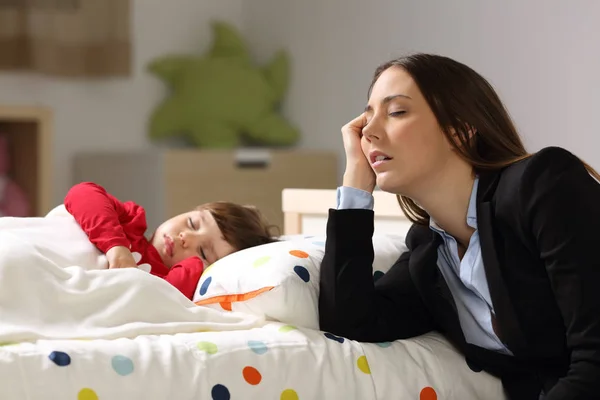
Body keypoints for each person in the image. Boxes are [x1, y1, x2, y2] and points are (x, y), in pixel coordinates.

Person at [318, 53, 600, 400]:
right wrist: (355, 189)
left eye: (396, 112)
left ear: (461, 131)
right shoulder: (428, 256)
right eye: (366, 119)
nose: (369, 133)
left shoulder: (544, 185)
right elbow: (348, 322)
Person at [65, 182, 276, 300]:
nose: (187, 238)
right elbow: (81, 193)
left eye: (203, 252)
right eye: (192, 223)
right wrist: (116, 247)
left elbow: (157, 300)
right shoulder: (129, 223)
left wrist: (195, 266)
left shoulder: (164, 282)